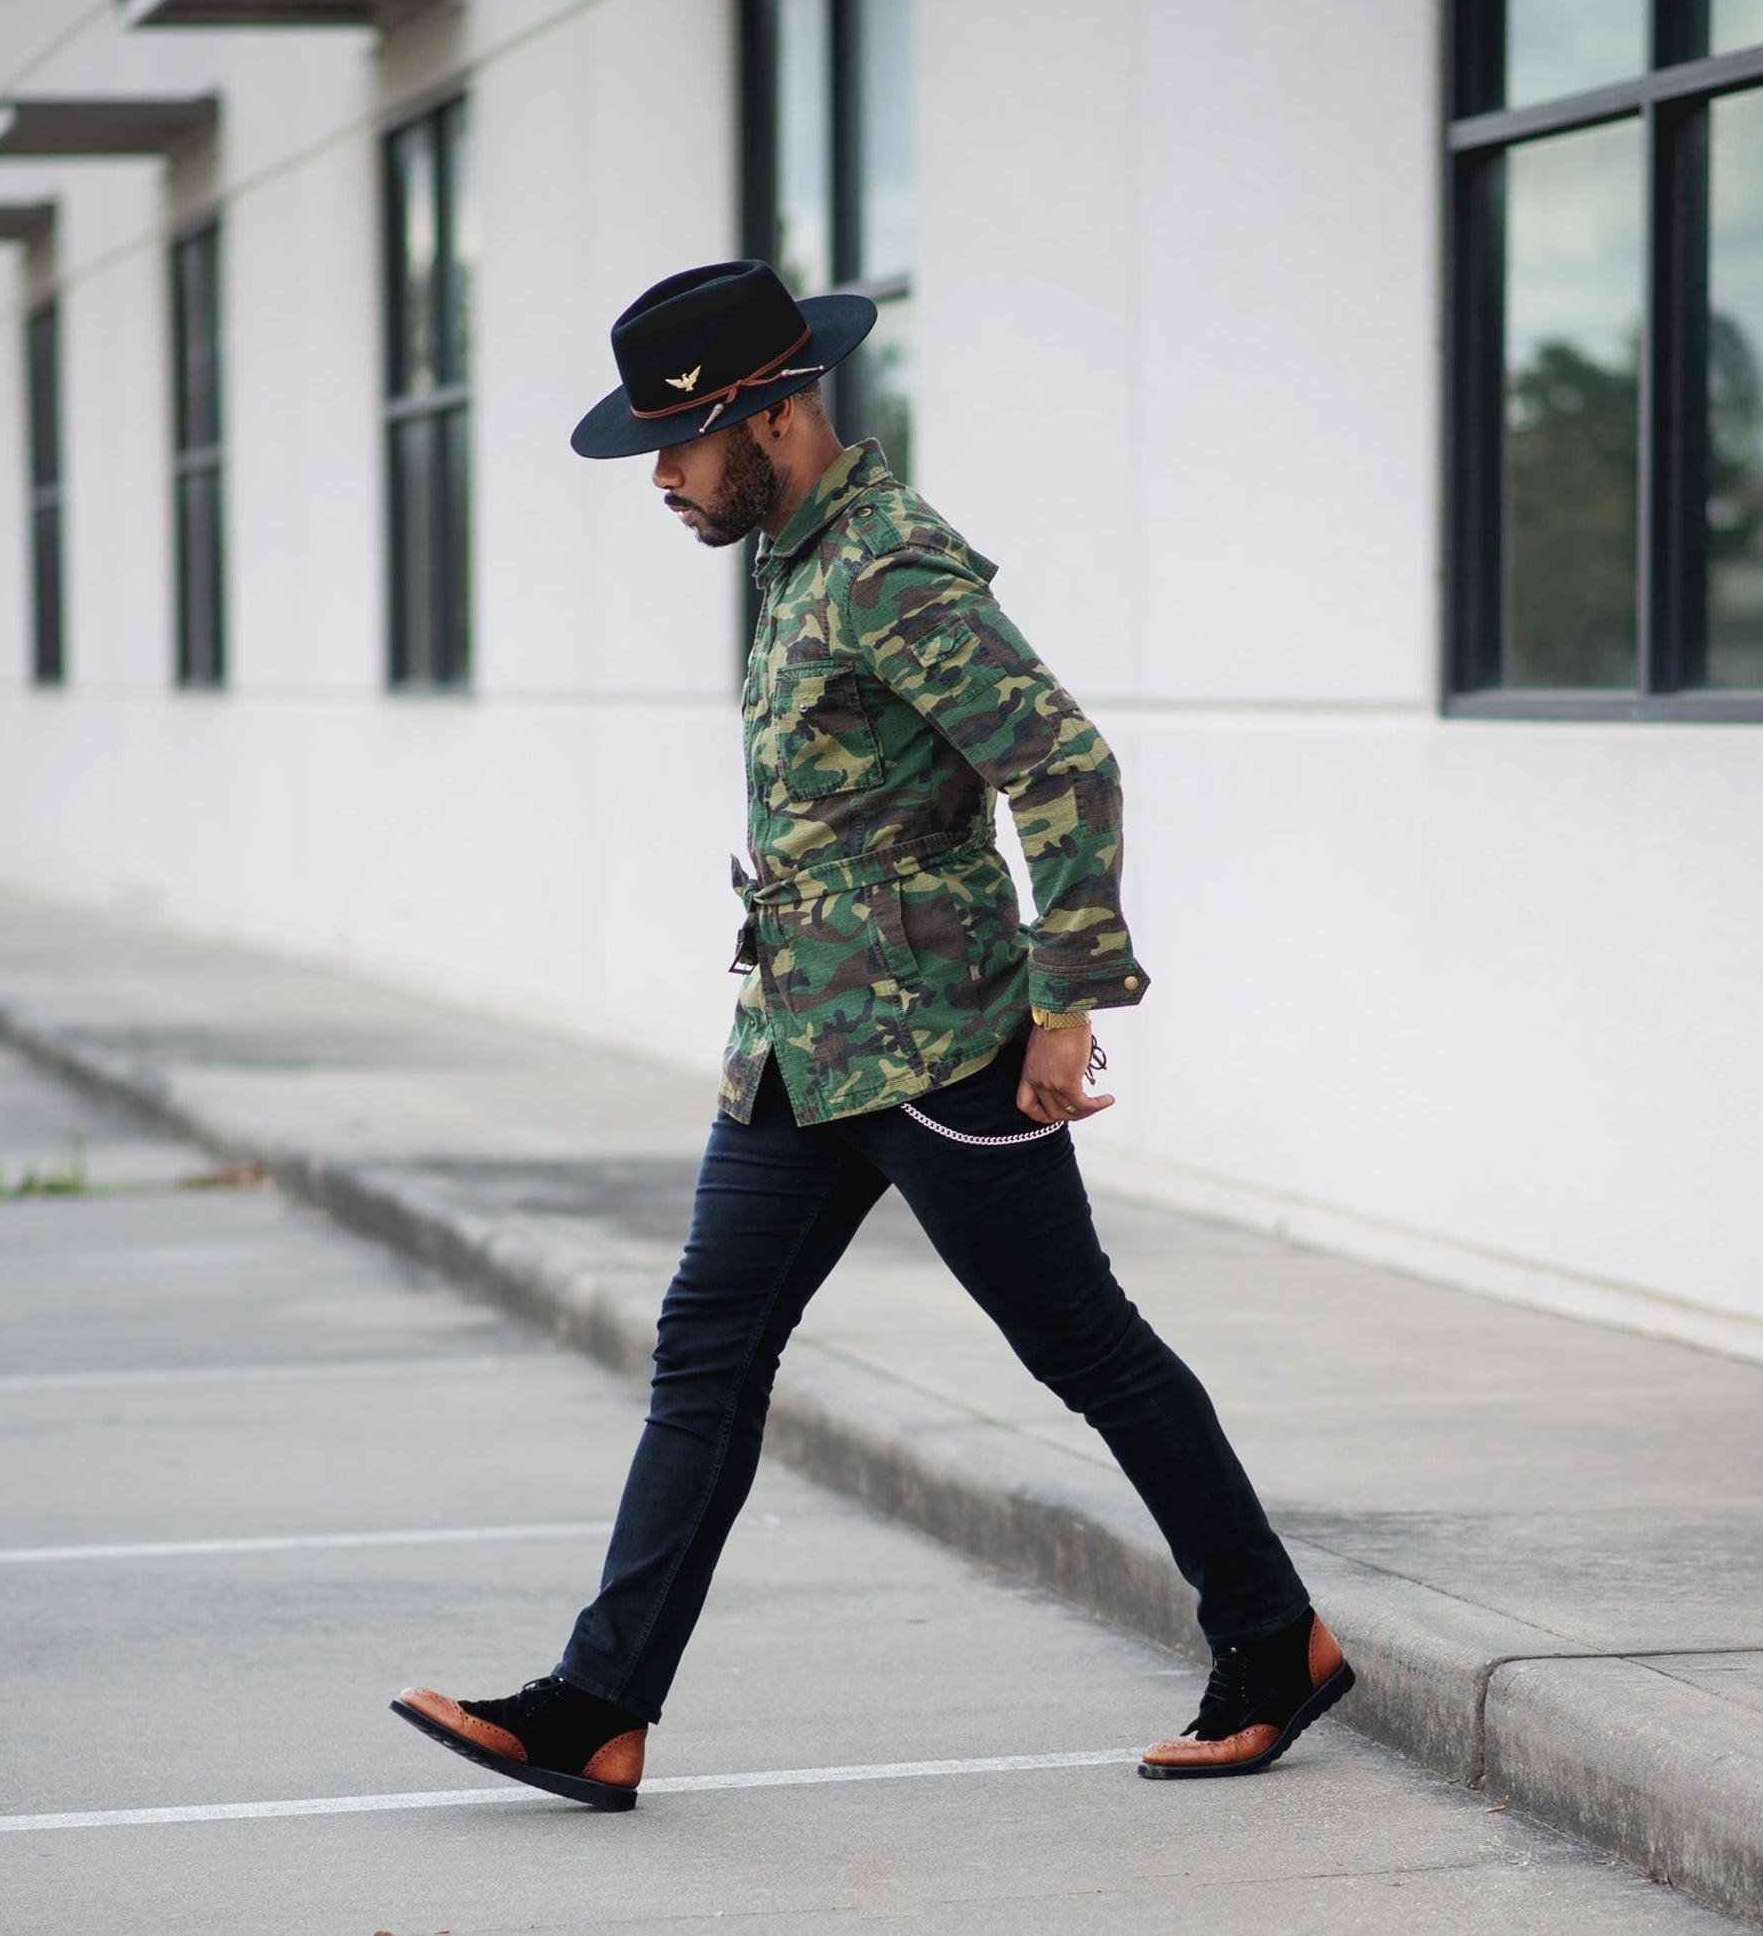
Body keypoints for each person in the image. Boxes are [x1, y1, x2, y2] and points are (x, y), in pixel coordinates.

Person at [392, 260, 1352, 1811]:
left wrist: (1065, 1005)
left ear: (768, 415)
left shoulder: (889, 566)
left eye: (677, 442)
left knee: (1083, 1346)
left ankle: (1271, 1640)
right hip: (797, 1043)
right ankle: (596, 1707)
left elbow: (1065, 766)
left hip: (934, 1043)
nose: (659, 477)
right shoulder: (793, 557)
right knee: (705, 1352)